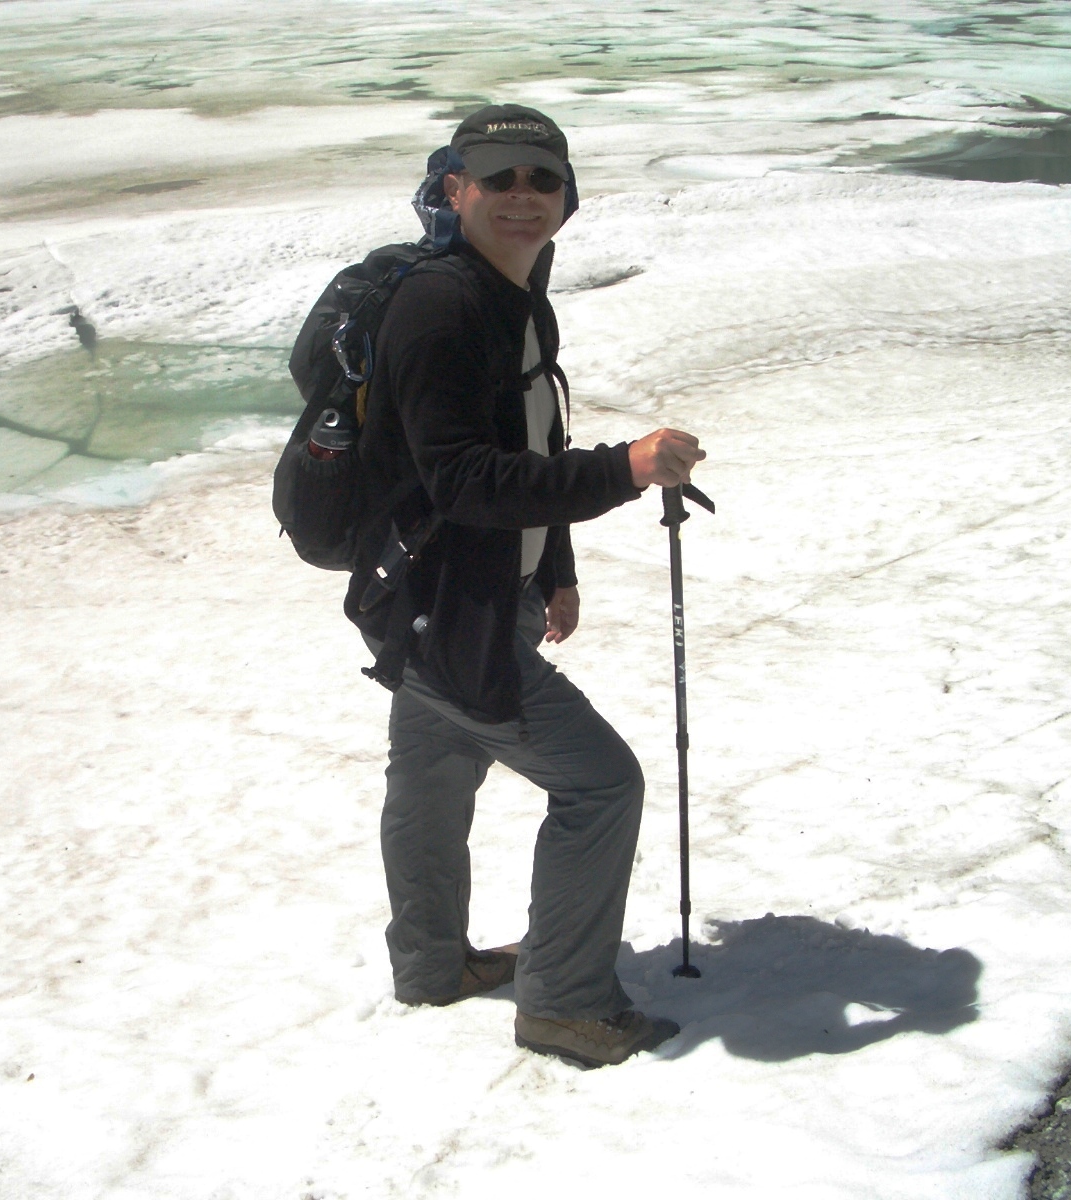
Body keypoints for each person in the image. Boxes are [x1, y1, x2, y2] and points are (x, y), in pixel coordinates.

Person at [344, 104, 705, 1068]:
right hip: (448, 609)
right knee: (600, 785)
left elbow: (521, 444)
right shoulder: (443, 305)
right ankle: (564, 1004)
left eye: (541, 181)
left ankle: (429, 964)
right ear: (454, 188)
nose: (521, 197)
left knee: (431, 774)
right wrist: (626, 468)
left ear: (565, 197)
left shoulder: (512, 294)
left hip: (435, 600)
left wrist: (554, 568)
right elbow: (465, 479)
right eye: (496, 178)